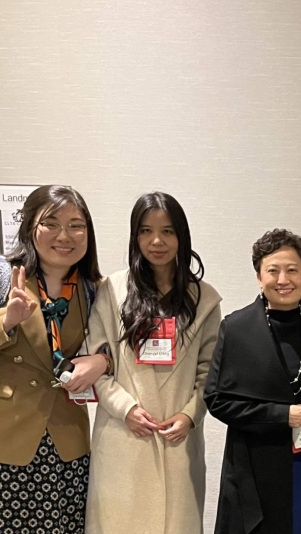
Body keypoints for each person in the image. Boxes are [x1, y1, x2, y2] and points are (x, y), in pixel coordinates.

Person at [0, 185, 106, 534]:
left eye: (77, 225)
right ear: (30, 226)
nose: (65, 236)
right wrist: (5, 322)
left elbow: (115, 346)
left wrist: (103, 362)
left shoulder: (94, 287)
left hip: (65, 441)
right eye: (51, 223)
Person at [85, 192, 222, 534]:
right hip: (122, 436)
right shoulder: (112, 290)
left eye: (168, 231)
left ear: (182, 236)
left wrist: (190, 415)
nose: (156, 241)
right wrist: (125, 408)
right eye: (146, 231)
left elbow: (212, 371)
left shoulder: (204, 298)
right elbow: (96, 363)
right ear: (135, 237)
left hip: (178, 440)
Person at [206, 229, 301, 534]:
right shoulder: (236, 327)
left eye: (292, 270)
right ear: (259, 277)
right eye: (272, 270)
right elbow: (216, 399)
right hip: (254, 463)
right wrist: (280, 415)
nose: (283, 279)